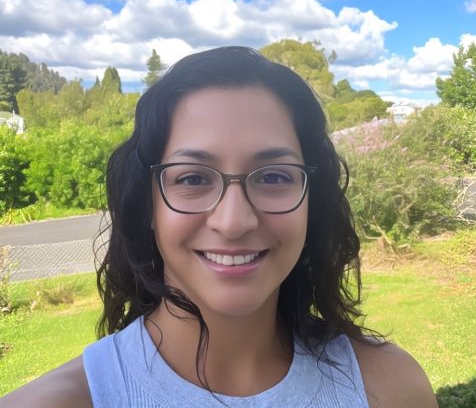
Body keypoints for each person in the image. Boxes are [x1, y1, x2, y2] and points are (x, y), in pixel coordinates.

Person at [0, 47, 438, 407]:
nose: (233, 222)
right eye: (192, 178)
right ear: (148, 205)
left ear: (311, 201)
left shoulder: (393, 388)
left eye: (273, 177)